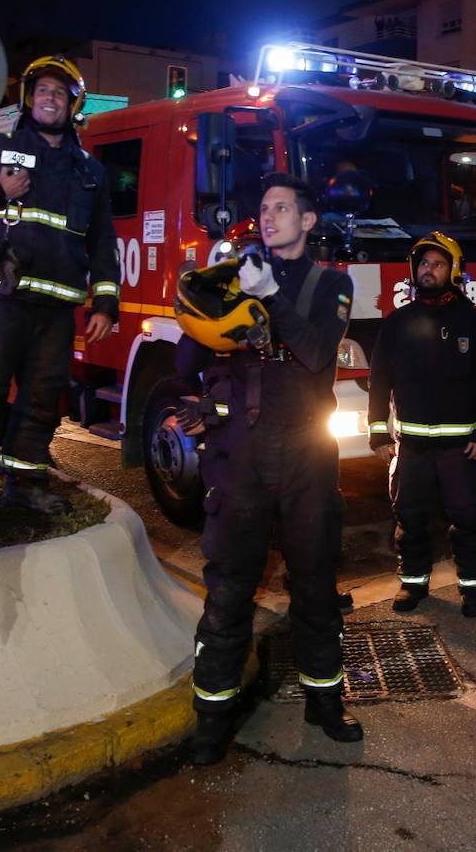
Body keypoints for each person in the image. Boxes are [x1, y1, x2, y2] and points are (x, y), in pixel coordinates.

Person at [174, 173, 362, 765]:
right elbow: (191, 357)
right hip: (242, 453)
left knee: (314, 587)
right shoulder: (236, 275)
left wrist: (270, 297)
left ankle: (325, 704)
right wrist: (204, 294)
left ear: (307, 221)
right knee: (228, 588)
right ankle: (211, 717)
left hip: (306, 453)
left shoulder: (332, 283)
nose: (270, 215)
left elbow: (312, 354)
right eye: (264, 207)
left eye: (282, 208)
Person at [0, 55, 120, 519]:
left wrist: (106, 303)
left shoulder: (89, 171)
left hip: (57, 310)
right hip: (3, 301)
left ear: (74, 104)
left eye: (59, 92)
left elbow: (103, 240)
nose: (49, 98)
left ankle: (26, 483)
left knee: (41, 398)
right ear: (28, 99)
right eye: (41, 91)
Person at [367, 231, 476, 616]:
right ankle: (413, 585)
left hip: (460, 446)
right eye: (424, 263)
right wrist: (377, 429)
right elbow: (380, 378)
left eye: (438, 264)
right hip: (412, 446)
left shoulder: (470, 322)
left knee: (467, 517)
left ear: (453, 271)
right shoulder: (397, 323)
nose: (429, 270)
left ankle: (473, 590)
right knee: (410, 517)